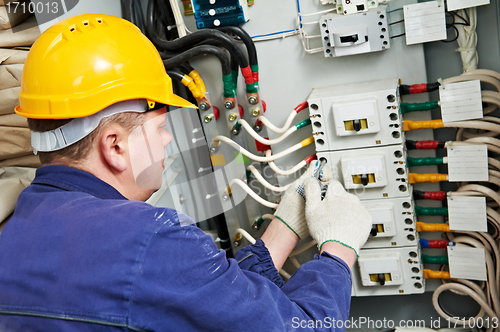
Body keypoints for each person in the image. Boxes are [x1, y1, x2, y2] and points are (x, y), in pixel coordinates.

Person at [0, 13, 372, 331]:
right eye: (160, 127)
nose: (166, 140)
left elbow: (206, 301)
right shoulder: (151, 238)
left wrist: (283, 229)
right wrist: (338, 252)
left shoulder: (15, 236)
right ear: (114, 145)